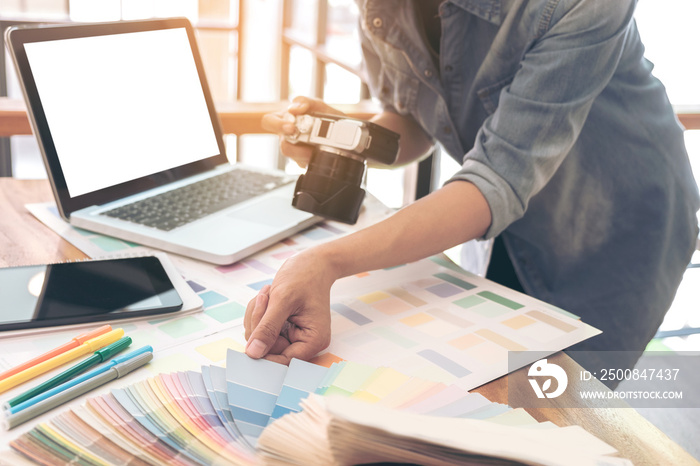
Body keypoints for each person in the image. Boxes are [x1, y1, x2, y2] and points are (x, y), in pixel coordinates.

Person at [243, 0, 700, 382]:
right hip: (507, 223)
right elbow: (417, 124)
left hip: (616, 228)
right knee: (488, 389)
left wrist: (326, 261)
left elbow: (494, 180)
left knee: (551, 405)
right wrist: (350, 136)